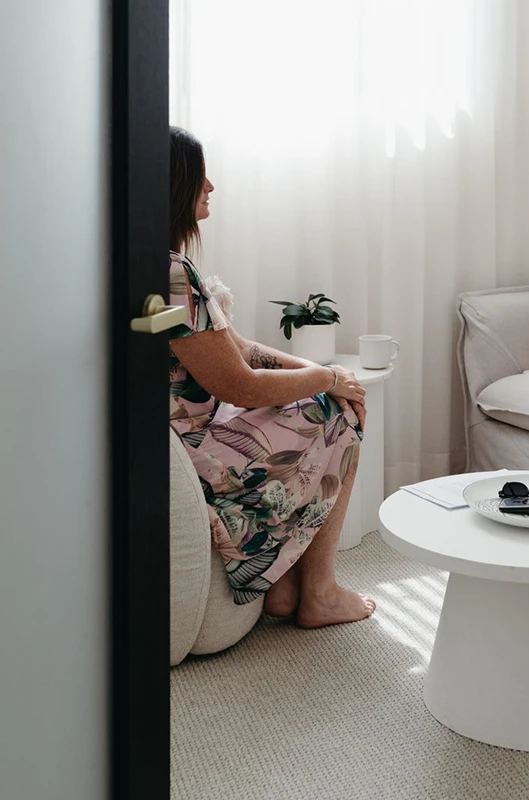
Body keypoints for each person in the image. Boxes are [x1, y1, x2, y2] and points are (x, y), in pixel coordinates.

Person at [168, 126, 376, 627]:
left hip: (201, 435)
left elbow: (242, 349)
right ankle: (320, 593)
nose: (211, 186)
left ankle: (284, 586)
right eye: (200, 176)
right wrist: (329, 383)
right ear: (174, 185)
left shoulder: (170, 268)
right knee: (340, 413)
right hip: (202, 454)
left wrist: (324, 372)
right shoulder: (171, 275)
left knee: (329, 396)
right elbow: (239, 385)